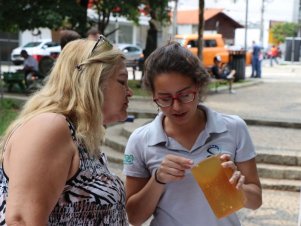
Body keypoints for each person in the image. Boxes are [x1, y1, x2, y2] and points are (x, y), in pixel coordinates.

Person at [123, 41, 262, 226]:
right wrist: (157, 179)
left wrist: (239, 188)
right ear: (153, 96)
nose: (176, 106)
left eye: (185, 95)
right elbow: (134, 217)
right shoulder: (141, 140)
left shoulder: (234, 128)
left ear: (198, 87)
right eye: (165, 99)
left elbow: (256, 201)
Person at [0, 35, 133, 225]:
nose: (130, 92)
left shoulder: (77, 136)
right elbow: (21, 220)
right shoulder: (49, 127)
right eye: (122, 81)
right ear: (93, 81)